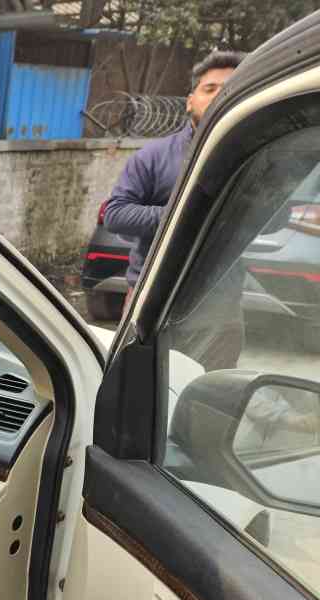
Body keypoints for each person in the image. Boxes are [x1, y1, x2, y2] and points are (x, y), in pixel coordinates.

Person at [104, 50, 246, 370]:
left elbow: (274, 218)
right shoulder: (153, 157)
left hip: (220, 308)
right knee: (140, 386)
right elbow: (116, 214)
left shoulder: (252, 156)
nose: (220, 95)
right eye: (210, 88)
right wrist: (183, 214)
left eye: (230, 88)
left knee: (212, 391)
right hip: (152, 299)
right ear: (189, 101)